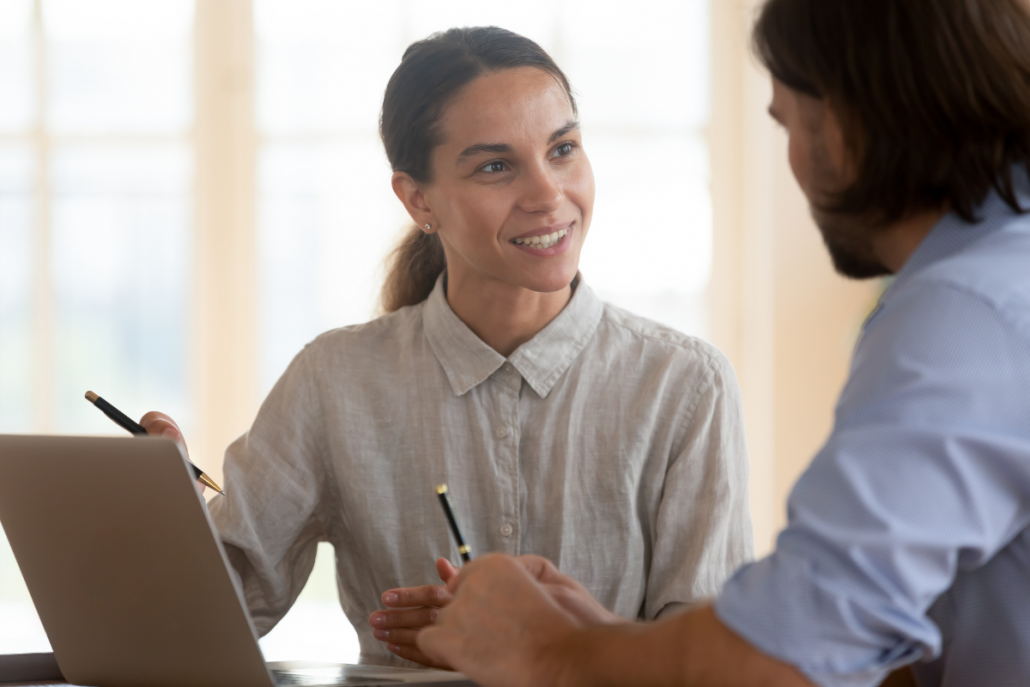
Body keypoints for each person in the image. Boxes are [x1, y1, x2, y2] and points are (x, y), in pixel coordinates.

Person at [415, 1, 1030, 686]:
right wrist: (608, 640)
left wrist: (543, 649)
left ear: (848, 124)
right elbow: (877, 653)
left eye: (790, 124)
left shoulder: (967, 314)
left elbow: (784, 660)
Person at [141, 27, 752, 668]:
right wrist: (163, 511)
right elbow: (205, 624)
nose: (548, 195)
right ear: (418, 199)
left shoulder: (686, 385)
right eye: (495, 166)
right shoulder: (333, 382)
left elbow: (711, 668)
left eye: (563, 149)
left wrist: (556, 640)